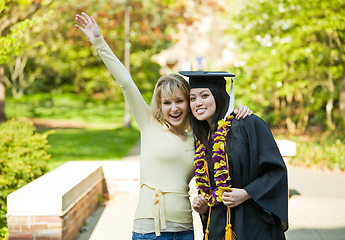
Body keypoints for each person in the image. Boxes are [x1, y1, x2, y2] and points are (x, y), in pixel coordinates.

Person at [75, 12, 253, 240]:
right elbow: (126, 82)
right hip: (150, 231)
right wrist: (98, 41)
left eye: (180, 101)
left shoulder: (198, 136)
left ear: (188, 103)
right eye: (167, 103)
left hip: (185, 230)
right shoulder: (149, 124)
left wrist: (241, 110)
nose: (174, 108)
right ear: (159, 105)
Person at [180, 71, 288, 240]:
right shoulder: (202, 139)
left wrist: (246, 193)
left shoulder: (248, 124)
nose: (198, 103)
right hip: (217, 227)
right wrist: (204, 206)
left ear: (219, 95)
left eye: (204, 95)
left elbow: (276, 171)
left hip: (253, 225)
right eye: (192, 98)